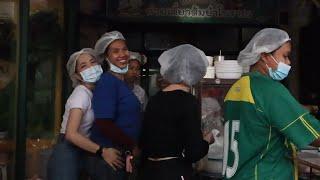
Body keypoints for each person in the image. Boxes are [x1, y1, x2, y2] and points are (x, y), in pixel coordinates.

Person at [222, 28, 320, 180]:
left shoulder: (237, 87)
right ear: (264, 56)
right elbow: (313, 134)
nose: (289, 62)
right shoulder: (269, 91)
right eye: (285, 56)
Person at [139, 44, 215, 180]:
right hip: (173, 171)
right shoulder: (188, 101)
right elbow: (194, 152)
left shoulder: (155, 99)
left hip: (148, 171)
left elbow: (143, 141)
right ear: (195, 73)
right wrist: (207, 141)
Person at [47, 48, 123, 180]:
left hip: (82, 147)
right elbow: (71, 134)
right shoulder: (81, 93)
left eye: (93, 62)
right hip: (68, 150)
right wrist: (103, 151)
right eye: (84, 66)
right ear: (77, 76)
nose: (91, 67)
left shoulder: (93, 93)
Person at [87, 31, 141, 180]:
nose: (122, 54)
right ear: (106, 57)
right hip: (110, 156)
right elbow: (104, 123)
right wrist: (131, 145)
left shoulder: (121, 83)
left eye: (124, 49)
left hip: (121, 154)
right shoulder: (107, 82)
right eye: (115, 51)